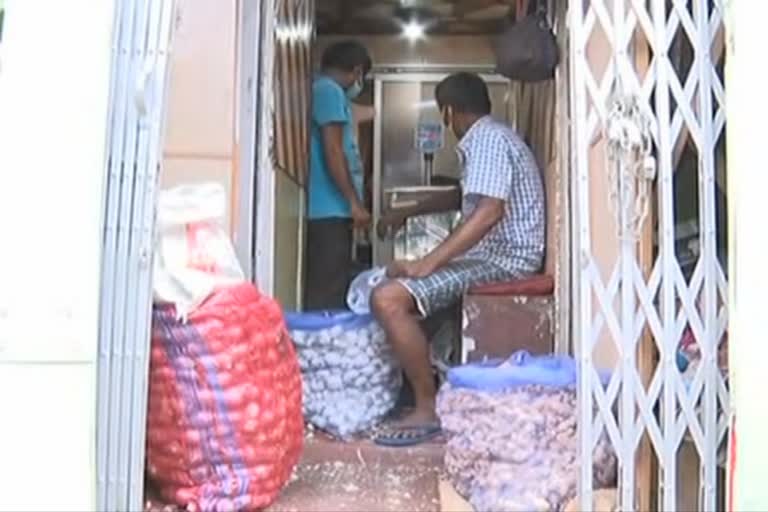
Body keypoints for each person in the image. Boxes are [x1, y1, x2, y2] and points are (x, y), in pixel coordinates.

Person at [371, 72, 546, 446]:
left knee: (388, 298)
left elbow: (488, 212)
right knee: (413, 298)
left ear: (448, 112)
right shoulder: (493, 138)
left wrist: (429, 263)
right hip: (499, 254)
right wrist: (407, 212)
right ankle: (428, 386)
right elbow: (462, 196)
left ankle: (427, 407)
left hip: (506, 260)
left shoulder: (485, 141)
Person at [305, 40, 373, 310]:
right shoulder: (329, 91)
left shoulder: (326, 92)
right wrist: (354, 204)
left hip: (328, 209)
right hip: (329, 209)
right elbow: (333, 151)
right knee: (328, 289)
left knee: (328, 283)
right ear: (357, 71)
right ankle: (324, 346)